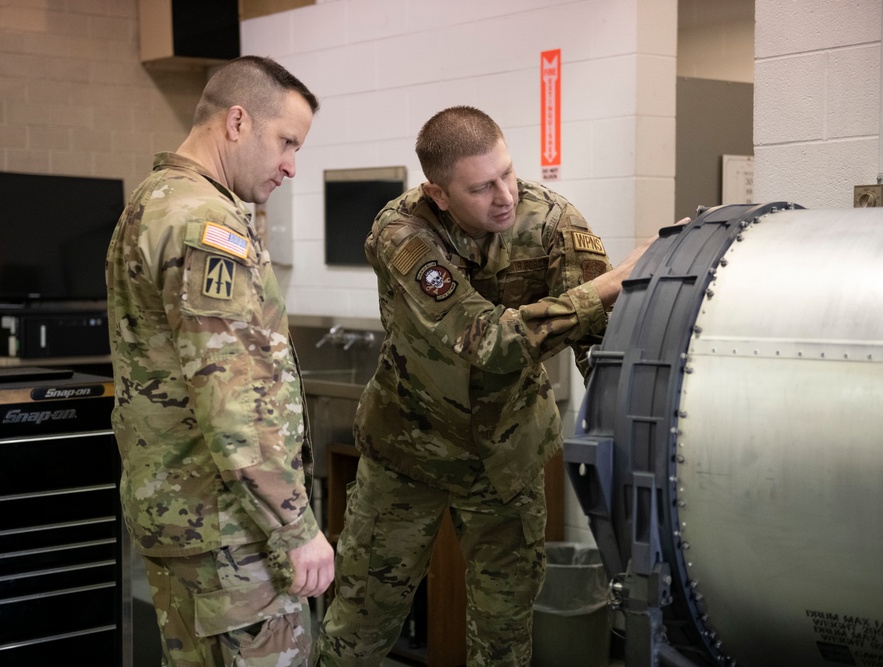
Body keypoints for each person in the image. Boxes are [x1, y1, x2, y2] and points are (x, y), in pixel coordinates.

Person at [313, 106, 667, 666]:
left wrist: (629, 431)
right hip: (409, 453)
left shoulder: (551, 221)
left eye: (508, 172)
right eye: (481, 187)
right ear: (439, 193)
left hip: (507, 455)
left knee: (504, 637)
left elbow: (601, 341)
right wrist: (605, 286)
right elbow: (483, 339)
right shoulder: (404, 232)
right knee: (359, 626)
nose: (504, 195)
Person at [106, 56, 334, 667]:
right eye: (286, 141)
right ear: (237, 121)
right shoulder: (205, 223)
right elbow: (233, 399)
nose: (291, 164)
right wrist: (296, 529)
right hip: (232, 533)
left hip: (185, 519)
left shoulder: (153, 200)